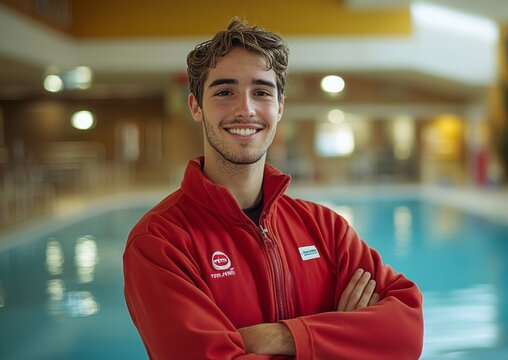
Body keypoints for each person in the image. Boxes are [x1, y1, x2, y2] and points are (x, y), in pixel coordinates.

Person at [123, 17, 424, 360]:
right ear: (196, 106)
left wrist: (283, 336)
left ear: (280, 107)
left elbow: (407, 332)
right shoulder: (160, 243)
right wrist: (342, 337)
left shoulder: (326, 229)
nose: (245, 109)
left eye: (262, 92)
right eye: (224, 92)